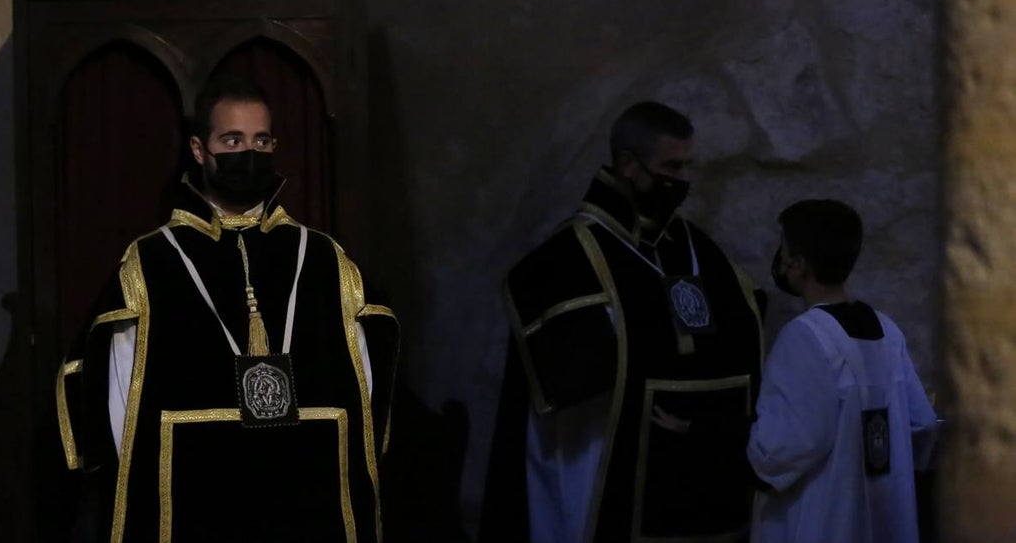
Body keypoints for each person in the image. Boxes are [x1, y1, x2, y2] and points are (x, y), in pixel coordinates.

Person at [54, 75, 398, 542]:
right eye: (232, 140)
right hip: (197, 489)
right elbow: (113, 384)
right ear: (200, 150)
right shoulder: (151, 261)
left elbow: (369, 367)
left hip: (304, 487)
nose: (248, 153)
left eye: (261, 140)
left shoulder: (322, 257)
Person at [482, 101, 765, 543]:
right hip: (601, 468)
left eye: (689, 165)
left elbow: (745, 324)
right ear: (630, 165)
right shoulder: (571, 257)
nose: (683, 180)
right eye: (672, 165)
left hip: (694, 489)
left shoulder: (696, 248)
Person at [748, 199, 938, 543]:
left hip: (825, 520)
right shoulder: (888, 330)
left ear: (798, 264)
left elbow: (782, 449)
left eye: (785, 248)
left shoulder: (805, 336)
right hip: (888, 521)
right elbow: (922, 422)